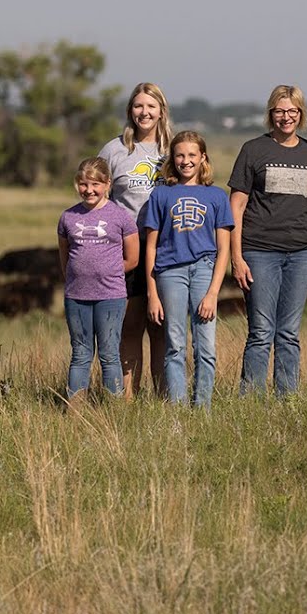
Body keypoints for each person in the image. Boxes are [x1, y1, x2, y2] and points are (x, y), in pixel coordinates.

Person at [228, 85, 307, 397]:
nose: (286, 117)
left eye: (292, 111)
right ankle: (251, 402)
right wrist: (236, 257)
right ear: (271, 114)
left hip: (302, 253)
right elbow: (236, 207)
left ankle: (287, 401)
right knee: (260, 332)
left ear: (301, 114)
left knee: (289, 333)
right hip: (259, 252)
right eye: (280, 111)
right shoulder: (253, 149)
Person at [139, 131, 234, 407]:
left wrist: (213, 293)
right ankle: (178, 409)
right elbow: (151, 247)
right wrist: (152, 293)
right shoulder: (161, 194)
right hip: (170, 273)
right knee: (175, 344)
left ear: (203, 157)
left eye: (192, 155)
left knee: (205, 346)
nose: (186, 161)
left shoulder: (216, 196)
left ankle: (202, 408)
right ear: (172, 158)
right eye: (180, 155)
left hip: (204, 270)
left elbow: (223, 249)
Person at [97, 83, 173, 400]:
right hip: (126, 247)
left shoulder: (172, 149)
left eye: (151, 106)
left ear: (161, 111)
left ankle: (164, 397)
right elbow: (97, 198)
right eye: (138, 106)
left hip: (169, 247)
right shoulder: (114, 151)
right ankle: (128, 399)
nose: (144, 112)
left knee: (162, 327)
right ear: (130, 110)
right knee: (130, 326)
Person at [56, 157, 140, 401]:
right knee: (80, 354)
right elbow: (65, 257)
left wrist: (108, 272)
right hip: (77, 297)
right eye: (83, 184)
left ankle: (113, 408)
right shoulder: (68, 218)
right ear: (76, 184)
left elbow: (132, 259)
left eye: (95, 184)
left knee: (109, 354)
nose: (89, 190)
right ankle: (75, 408)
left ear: (107, 184)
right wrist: (76, 277)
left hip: (111, 296)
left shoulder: (121, 217)